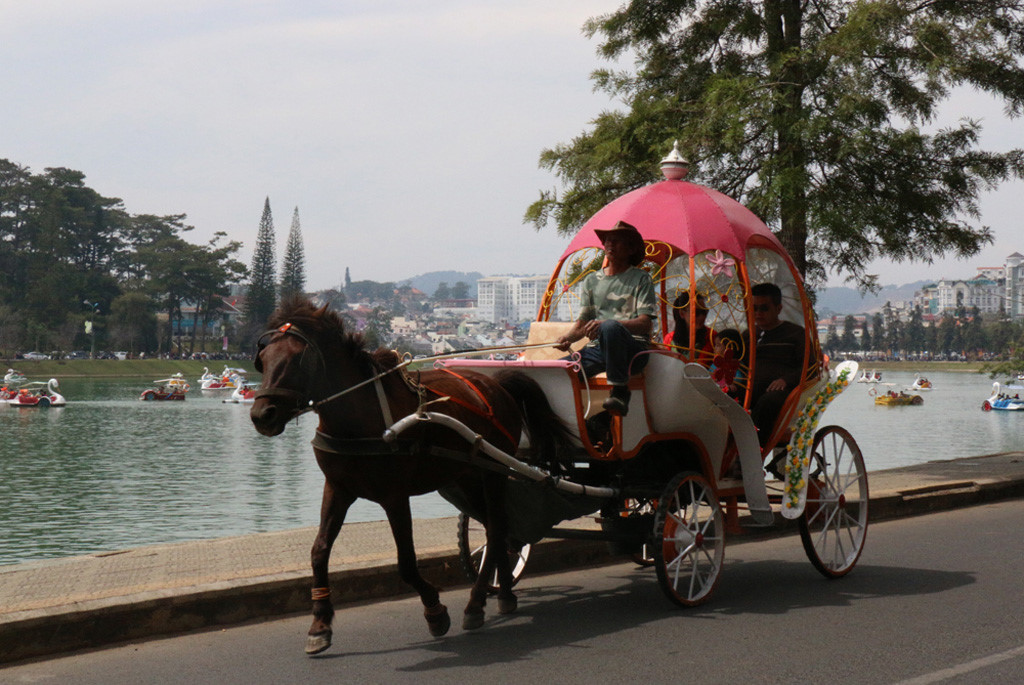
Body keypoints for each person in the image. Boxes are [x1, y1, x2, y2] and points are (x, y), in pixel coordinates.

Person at [554, 220, 656, 415]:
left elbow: (644, 324)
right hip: (598, 351)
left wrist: (607, 325)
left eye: (616, 241)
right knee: (558, 372)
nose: (609, 244)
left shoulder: (641, 279)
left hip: (632, 353)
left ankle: (620, 392)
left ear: (630, 249)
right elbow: (582, 325)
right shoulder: (592, 280)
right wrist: (567, 339)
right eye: (607, 240)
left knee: (610, 327)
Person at [747, 282, 806, 447]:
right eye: (754, 308)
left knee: (767, 402)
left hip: (782, 391)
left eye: (764, 308)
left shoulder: (795, 334)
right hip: (751, 388)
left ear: (778, 309)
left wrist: (786, 380)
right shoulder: (749, 335)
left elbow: (810, 367)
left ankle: (750, 453)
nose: (758, 314)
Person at [664, 291, 714, 362]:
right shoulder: (669, 339)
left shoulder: (712, 337)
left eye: (704, 312)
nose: (702, 317)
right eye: (696, 313)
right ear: (682, 314)